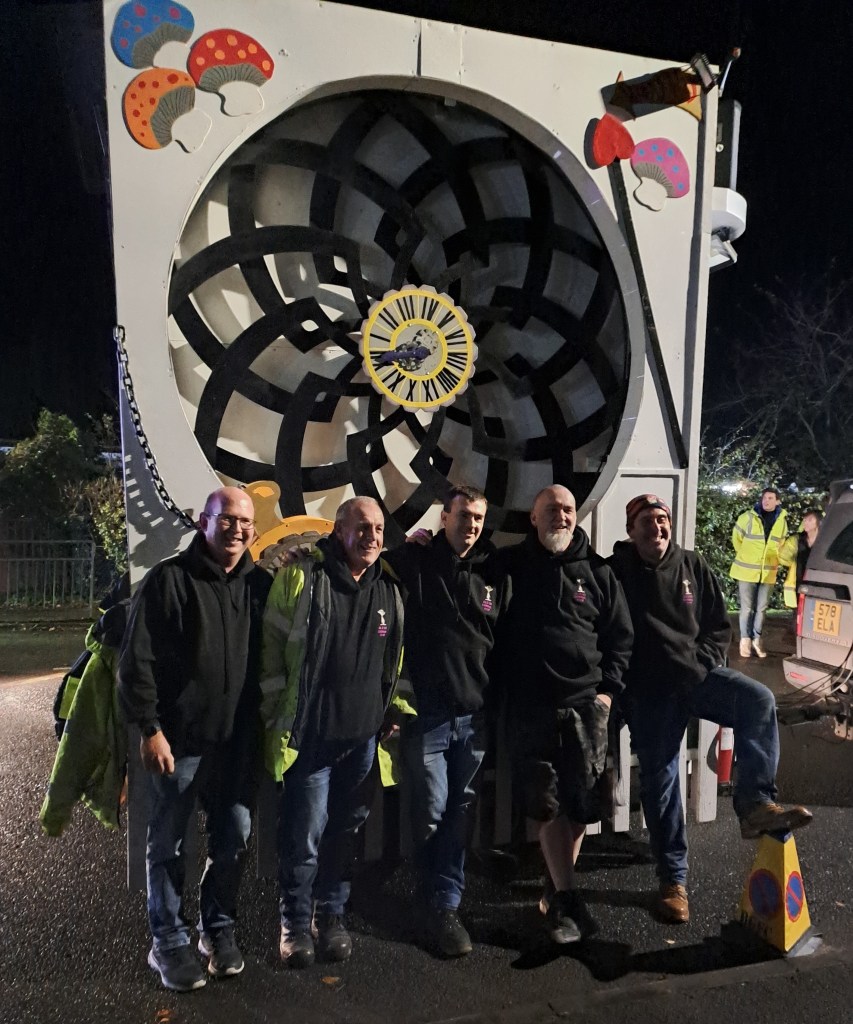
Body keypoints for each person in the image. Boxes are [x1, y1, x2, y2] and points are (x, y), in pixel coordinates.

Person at [609, 494, 813, 925]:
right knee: (661, 782)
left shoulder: (692, 565)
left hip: (695, 679)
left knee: (758, 699)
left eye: (663, 520)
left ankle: (755, 804)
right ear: (631, 530)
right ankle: (673, 882)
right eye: (647, 521)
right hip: (649, 692)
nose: (658, 528)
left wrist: (700, 665)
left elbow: (718, 626)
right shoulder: (614, 572)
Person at [118, 487, 272, 992]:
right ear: (204, 521)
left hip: (236, 745)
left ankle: (217, 930)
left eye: (245, 522)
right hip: (178, 743)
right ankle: (167, 941)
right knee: (169, 845)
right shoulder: (168, 580)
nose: (237, 529)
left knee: (234, 839)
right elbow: (136, 662)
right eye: (226, 519)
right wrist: (150, 729)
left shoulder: (261, 586)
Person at [261, 496, 411, 969]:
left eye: (378, 529)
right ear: (338, 530)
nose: (372, 537)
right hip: (311, 741)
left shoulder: (390, 588)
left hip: (363, 743)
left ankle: (330, 916)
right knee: (302, 840)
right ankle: (293, 923)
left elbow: (396, 660)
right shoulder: (302, 578)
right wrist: (273, 713)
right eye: (362, 527)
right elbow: (270, 651)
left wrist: (395, 709)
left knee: (345, 836)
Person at [499, 484, 633, 943]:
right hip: (533, 707)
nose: (561, 515)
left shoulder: (598, 572)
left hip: (587, 708)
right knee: (548, 804)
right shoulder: (511, 565)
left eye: (568, 509)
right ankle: (567, 898)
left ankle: (556, 893)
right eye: (552, 509)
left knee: (581, 806)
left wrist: (607, 694)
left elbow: (620, 638)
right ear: (533, 518)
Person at [383, 484, 511, 957]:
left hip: (474, 717)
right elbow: (371, 563)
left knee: (460, 811)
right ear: (444, 517)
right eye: (463, 516)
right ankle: (431, 896)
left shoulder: (495, 572)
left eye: (478, 518)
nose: (471, 525)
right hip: (429, 716)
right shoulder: (416, 560)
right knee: (432, 810)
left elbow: (503, 638)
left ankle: (445, 902)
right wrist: (407, 543)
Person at [729, 487, 789, 658]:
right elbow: (736, 540)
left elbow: (781, 546)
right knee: (747, 608)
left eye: (770, 498)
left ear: (777, 501)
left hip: (768, 572)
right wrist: (746, 556)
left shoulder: (782, 522)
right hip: (747, 571)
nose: (766, 501)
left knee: (761, 609)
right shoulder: (747, 517)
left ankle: (757, 639)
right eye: (764, 498)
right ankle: (745, 640)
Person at [780, 508, 823, 609]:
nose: (805, 522)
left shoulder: (825, 541)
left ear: (819, 522)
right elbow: (783, 558)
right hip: (799, 584)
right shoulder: (796, 540)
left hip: (819, 585)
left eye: (810, 520)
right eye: (804, 520)